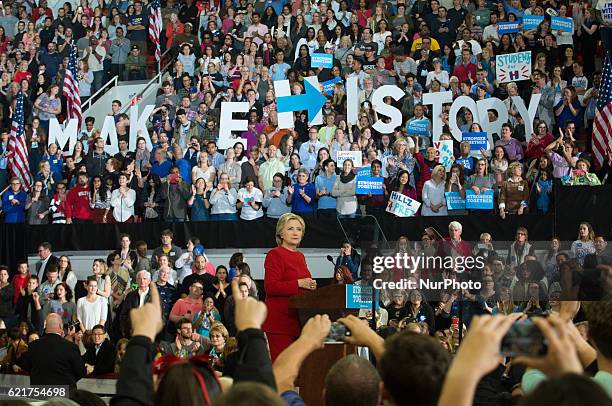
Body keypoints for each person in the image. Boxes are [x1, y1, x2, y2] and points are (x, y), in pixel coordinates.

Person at [263, 213, 316, 361]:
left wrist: (310, 285)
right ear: (281, 233)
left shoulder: (300, 256)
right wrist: (299, 283)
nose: (295, 232)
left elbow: (301, 282)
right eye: (290, 228)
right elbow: (271, 287)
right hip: (280, 322)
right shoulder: (275, 254)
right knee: (283, 369)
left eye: (299, 229)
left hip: (299, 320)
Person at [18, 313, 86, 389]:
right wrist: (69, 379)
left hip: (39, 393)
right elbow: (81, 371)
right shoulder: (70, 347)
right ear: (60, 326)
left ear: (45, 327)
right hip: (64, 395)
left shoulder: (33, 345)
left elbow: (24, 364)